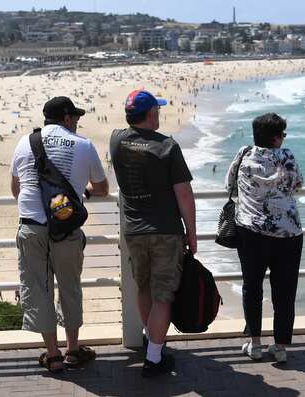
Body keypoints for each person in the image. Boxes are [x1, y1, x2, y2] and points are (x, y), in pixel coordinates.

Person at [10, 96, 109, 373]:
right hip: (65, 227)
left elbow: (16, 189)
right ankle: (73, 350)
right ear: (66, 118)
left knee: (38, 289)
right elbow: (101, 188)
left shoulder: (24, 143)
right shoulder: (83, 145)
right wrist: (83, 192)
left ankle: (52, 355)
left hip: (31, 225)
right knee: (69, 287)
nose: (77, 121)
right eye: (75, 117)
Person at [110, 89, 197, 377]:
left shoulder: (117, 140)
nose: (159, 114)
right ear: (150, 114)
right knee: (163, 296)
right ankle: (155, 358)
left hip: (134, 230)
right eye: (156, 110)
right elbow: (183, 193)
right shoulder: (167, 147)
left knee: (144, 287)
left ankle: (152, 342)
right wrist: (192, 234)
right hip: (165, 231)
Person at [225, 113, 303, 363]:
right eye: (283, 134)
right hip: (288, 234)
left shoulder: (244, 154)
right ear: (276, 137)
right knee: (285, 290)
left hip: (251, 232)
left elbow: (229, 184)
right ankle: (280, 347)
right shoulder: (287, 157)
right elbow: (297, 184)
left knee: (252, 286)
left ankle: (255, 343)